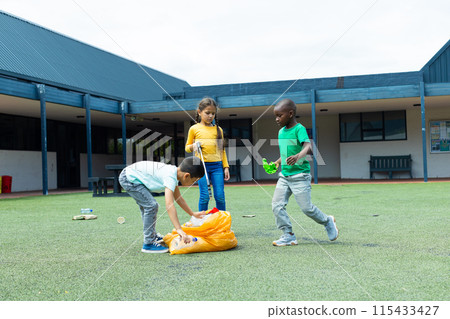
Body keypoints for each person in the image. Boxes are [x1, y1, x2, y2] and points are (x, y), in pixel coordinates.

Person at [269, 98, 338, 246]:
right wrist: (277, 162)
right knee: (276, 205)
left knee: (307, 209)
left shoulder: (299, 129)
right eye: (275, 116)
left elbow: (308, 145)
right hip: (285, 176)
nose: (276, 119)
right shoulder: (281, 132)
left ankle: (327, 221)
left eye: (279, 115)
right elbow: (285, 153)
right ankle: (288, 235)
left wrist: (298, 156)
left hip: (300, 176)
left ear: (290, 113)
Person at [119, 157, 206, 253]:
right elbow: (169, 204)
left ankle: (151, 236)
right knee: (151, 206)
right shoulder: (170, 176)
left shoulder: (173, 173)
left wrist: (192, 213)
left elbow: (179, 198)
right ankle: (148, 243)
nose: (192, 184)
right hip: (129, 178)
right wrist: (179, 229)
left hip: (131, 175)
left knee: (148, 206)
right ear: (186, 176)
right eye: (193, 181)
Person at [185, 97, 230, 211]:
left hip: (217, 166)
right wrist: (193, 146)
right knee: (205, 196)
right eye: (207, 113)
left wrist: (226, 167)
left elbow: (222, 150)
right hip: (200, 166)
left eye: (213, 113)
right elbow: (187, 148)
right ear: (199, 112)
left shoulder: (218, 130)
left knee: (220, 196)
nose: (210, 116)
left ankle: (220, 222)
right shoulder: (194, 129)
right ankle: (202, 221)